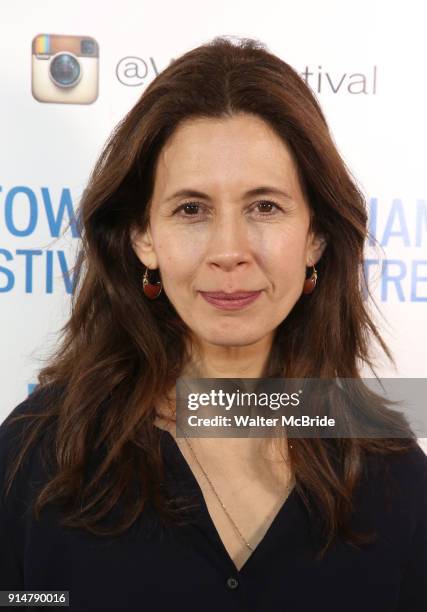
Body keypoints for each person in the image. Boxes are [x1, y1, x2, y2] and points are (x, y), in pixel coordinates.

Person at [1, 35, 426, 611]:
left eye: (265, 207)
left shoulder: (394, 469)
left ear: (317, 237)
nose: (229, 251)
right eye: (192, 210)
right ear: (142, 237)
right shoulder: (35, 452)